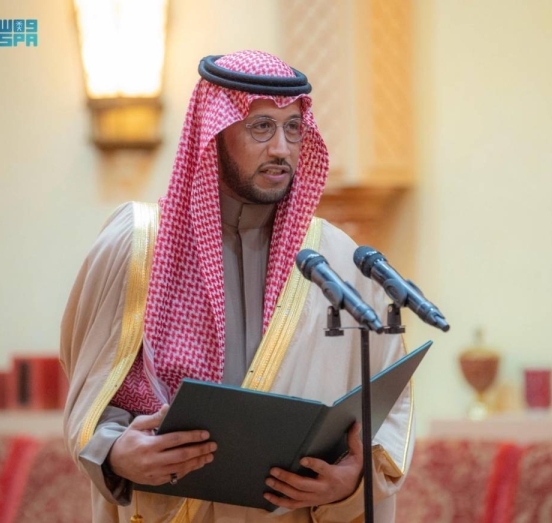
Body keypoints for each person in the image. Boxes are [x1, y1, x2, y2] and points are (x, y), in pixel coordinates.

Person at [60, 50, 414, 523]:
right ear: (214, 133)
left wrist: (354, 479)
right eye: (261, 126)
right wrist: (115, 452)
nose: (282, 149)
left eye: (293, 128)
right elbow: (90, 386)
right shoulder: (136, 244)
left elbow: (389, 395)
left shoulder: (337, 260)